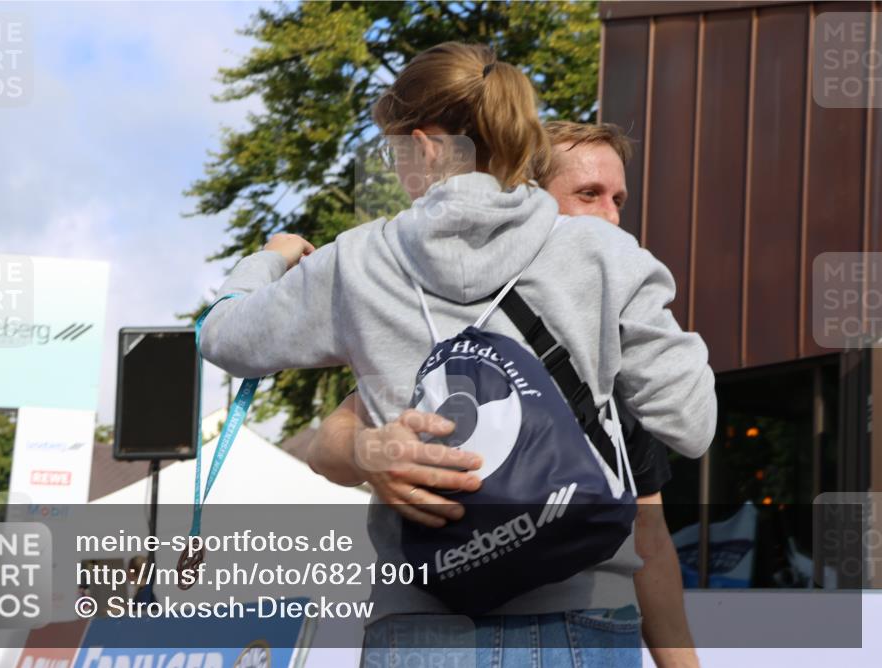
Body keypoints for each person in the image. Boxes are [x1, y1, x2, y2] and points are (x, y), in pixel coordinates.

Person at [200, 42, 716, 667]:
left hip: (422, 622)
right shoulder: (604, 253)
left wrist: (271, 257)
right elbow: (690, 424)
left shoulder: (356, 262)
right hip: (583, 616)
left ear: (423, 147)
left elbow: (221, 336)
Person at [308, 120, 700, 667]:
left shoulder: (615, 343)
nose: (611, 217)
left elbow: (649, 536)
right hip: (444, 627)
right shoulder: (444, 313)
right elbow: (329, 439)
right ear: (526, 203)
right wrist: (366, 452)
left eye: (619, 200)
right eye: (588, 194)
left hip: (577, 621)